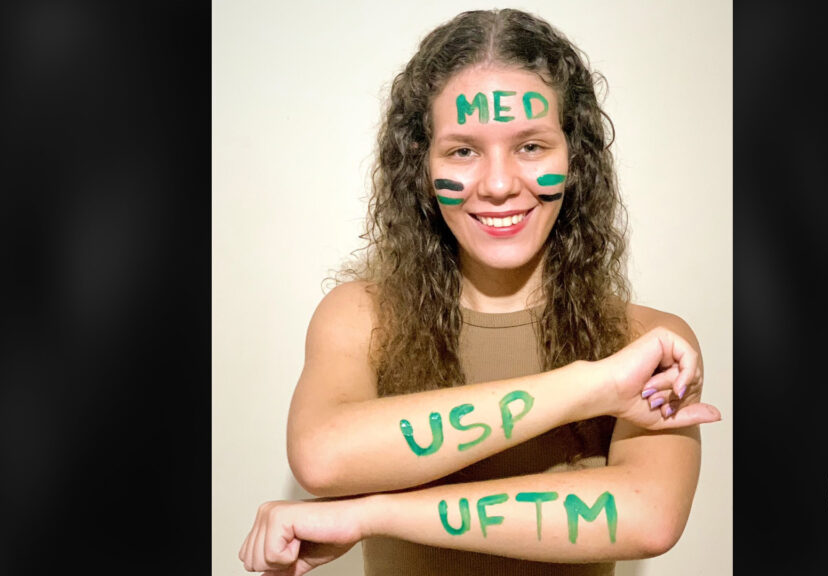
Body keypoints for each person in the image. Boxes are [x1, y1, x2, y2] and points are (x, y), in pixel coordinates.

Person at [239, 8, 722, 575]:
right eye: (463, 150)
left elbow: (648, 517)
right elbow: (322, 457)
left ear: (575, 160)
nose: (497, 185)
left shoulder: (645, 339)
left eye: (531, 146)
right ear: (421, 166)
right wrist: (592, 387)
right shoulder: (362, 315)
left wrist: (372, 513)